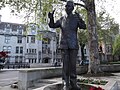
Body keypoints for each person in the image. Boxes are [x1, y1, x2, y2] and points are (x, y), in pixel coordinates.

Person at [48, 1, 86, 90]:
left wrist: (80, 18)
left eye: (68, 6)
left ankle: (73, 83)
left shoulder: (76, 18)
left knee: (73, 65)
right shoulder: (61, 19)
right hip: (64, 45)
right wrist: (51, 18)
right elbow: (52, 25)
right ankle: (65, 82)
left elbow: (83, 26)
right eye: (65, 6)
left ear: (72, 8)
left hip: (73, 45)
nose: (66, 8)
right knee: (65, 65)